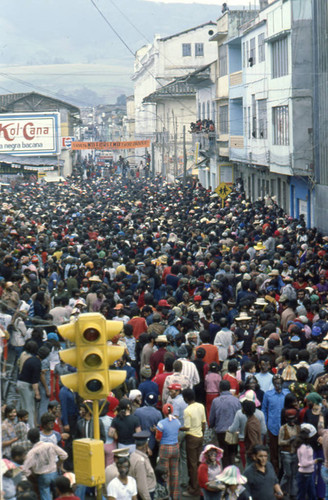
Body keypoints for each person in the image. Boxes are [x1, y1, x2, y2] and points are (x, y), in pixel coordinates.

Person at [23, 428, 68, 500]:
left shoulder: (31, 453)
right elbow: (64, 455)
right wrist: (58, 465)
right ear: (39, 436)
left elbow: (25, 469)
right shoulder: (50, 445)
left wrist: (32, 478)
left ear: (30, 440)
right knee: (58, 494)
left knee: (45, 495)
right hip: (54, 473)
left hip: (42, 476)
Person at [209, 380, 241, 467]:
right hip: (233, 432)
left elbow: (212, 418)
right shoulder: (236, 400)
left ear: (220, 389)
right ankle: (233, 472)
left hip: (221, 432)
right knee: (232, 454)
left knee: (224, 455)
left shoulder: (216, 401)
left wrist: (211, 426)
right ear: (229, 388)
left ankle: (226, 473)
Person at [180, 388, 206, 497]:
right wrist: (202, 434)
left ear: (185, 398)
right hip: (200, 436)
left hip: (191, 438)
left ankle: (194, 489)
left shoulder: (187, 411)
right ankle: (198, 485)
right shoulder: (201, 406)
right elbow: (203, 423)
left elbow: (187, 427)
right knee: (199, 463)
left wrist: (178, 427)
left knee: (192, 465)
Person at [262, 374, 289, 474]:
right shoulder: (268, 394)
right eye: (276, 383)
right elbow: (264, 409)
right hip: (272, 426)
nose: (278, 385)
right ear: (273, 384)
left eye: (279, 382)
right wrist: (265, 423)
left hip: (285, 427)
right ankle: (275, 473)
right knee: (273, 453)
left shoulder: (287, 394)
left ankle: (284, 473)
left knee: (285, 452)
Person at [155, 403, 181, 500]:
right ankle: (175, 496)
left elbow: (158, 438)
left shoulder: (161, 423)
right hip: (175, 447)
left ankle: (166, 495)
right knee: (175, 473)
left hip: (165, 448)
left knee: (165, 474)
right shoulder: (177, 422)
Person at [129, 431, 156, 500]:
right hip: (146, 494)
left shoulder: (134, 455)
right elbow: (142, 486)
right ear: (146, 444)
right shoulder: (140, 461)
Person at [295, 424, 318, 500]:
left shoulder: (305, 446)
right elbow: (304, 463)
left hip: (308, 473)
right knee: (302, 495)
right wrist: (314, 461)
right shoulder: (303, 448)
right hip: (304, 474)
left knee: (312, 495)